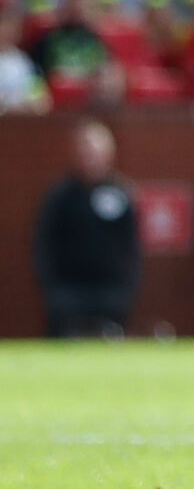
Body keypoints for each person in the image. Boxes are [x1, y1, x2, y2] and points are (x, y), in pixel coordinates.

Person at [35, 120, 140, 337]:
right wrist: (52, 287)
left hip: (110, 291)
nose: (88, 156)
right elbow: (43, 242)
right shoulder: (59, 195)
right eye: (83, 149)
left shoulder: (122, 192)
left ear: (109, 153)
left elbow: (132, 246)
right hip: (68, 290)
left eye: (93, 150)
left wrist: (126, 289)